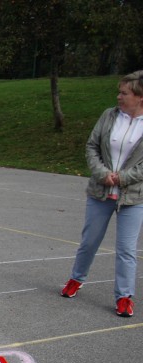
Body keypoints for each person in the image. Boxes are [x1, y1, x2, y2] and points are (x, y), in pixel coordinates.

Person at [60, 70, 143, 318]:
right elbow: (91, 146)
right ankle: (76, 279)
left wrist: (122, 178)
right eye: (119, 92)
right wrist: (102, 173)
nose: (118, 97)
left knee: (126, 249)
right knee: (89, 241)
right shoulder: (109, 116)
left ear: (140, 97)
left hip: (134, 196)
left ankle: (124, 297)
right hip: (100, 191)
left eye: (124, 93)